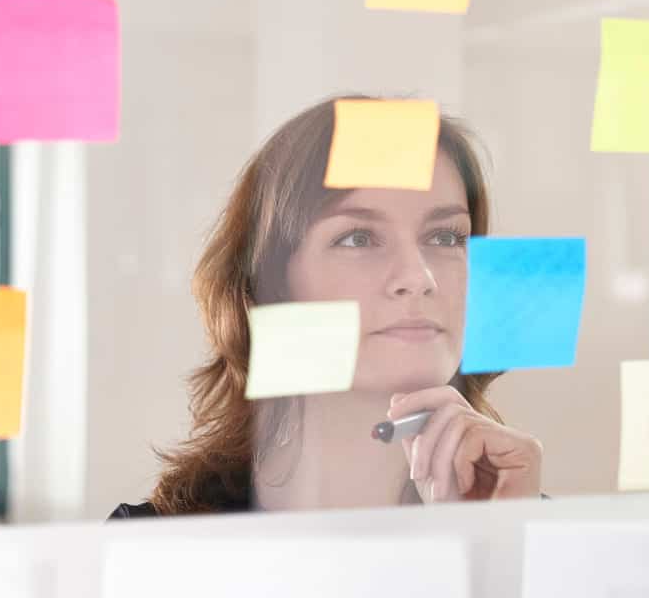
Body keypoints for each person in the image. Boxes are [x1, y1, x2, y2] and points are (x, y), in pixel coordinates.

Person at [110, 96, 544, 518]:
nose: (418, 277)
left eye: (446, 237)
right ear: (272, 282)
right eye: (358, 238)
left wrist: (492, 540)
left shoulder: (517, 517)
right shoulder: (156, 546)